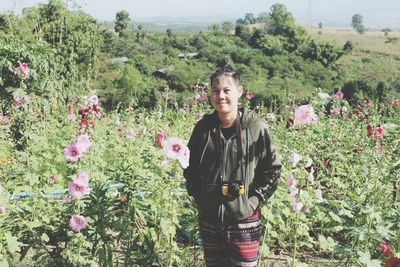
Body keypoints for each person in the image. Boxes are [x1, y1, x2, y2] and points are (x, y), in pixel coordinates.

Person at [183, 62, 282, 267]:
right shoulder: (203, 129)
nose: (221, 96)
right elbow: (188, 165)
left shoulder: (256, 128)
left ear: (239, 92)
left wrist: (252, 202)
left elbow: (272, 169)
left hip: (244, 220)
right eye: (215, 91)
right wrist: (199, 196)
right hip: (210, 219)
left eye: (226, 90)